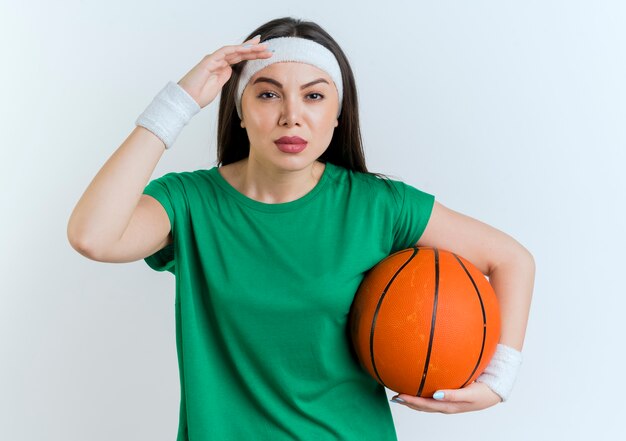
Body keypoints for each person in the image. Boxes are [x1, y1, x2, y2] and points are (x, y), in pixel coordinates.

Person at [67, 16, 535, 441]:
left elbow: (510, 259)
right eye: (268, 93)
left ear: (337, 113)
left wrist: (499, 379)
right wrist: (181, 101)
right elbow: (94, 236)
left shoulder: (377, 206)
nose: (292, 114)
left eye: (314, 95)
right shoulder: (190, 203)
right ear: (239, 109)